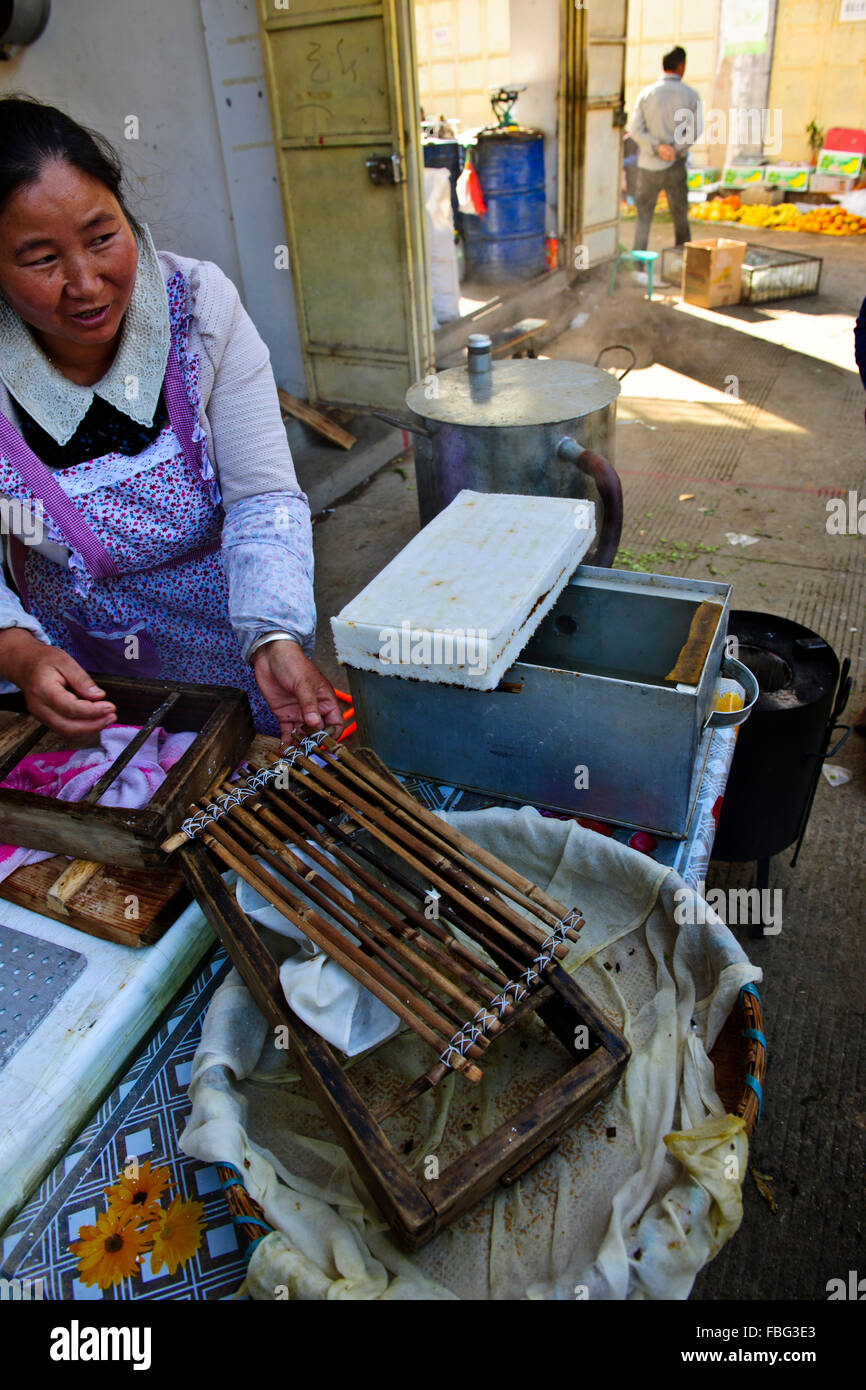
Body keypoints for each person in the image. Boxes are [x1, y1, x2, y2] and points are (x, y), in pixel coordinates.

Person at [0, 96, 342, 744]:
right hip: (70, 661)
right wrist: (18, 651)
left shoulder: (200, 310)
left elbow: (262, 495)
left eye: (103, 238)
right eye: (41, 260)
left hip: (231, 637)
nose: (86, 283)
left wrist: (273, 633)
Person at [628, 45, 702, 251]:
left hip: (648, 165)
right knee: (680, 217)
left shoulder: (645, 94)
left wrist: (656, 147)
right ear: (681, 66)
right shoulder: (691, 95)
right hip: (675, 166)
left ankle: (639, 267)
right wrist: (674, 149)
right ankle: (681, 263)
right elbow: (696, 130)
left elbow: (634, 129)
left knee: (644, 218)